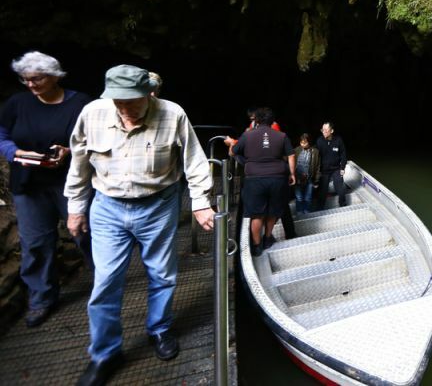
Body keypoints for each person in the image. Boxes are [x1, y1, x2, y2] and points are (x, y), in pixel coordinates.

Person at [64, 65, 215, 386]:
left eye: (132, 101)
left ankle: (159, 329)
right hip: (107, 207)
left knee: (162, 274)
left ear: (150, 93)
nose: (125, 109)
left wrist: (201, 202)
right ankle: (105, 353)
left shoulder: (172, 114)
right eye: (118, 102)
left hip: (158, 205)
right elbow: (78, 162)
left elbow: (194, 160)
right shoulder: (92, 113)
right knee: (105, 280)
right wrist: (76, 207)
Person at [0, 51, 93, 328]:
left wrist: (69, 150)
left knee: (86, 234)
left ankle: (106, 285)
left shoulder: (80, 103)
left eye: (36, 78)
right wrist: (15, 153)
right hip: (29, 183)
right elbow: (1, 135)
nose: (30, 84)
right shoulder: (17, 103)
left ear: (54, 76)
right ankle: (41, 299)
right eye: (25, 79)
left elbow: (96, 138)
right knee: (36, 243)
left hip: (72, 181)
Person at [230, 107, 295, 256]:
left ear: (257, 120)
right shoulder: (282, 136)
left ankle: (257, 245)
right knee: (272, 212)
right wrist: (291, 174)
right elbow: (291, 155)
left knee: (256, 215)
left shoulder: (247, 136)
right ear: (272, 121)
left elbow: (234, 152)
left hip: (254, 180)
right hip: (277, 179)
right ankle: (267, 239)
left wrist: (232, 147)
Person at [315, 122, 347, 209]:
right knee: (322, 192)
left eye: (326, 130)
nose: (323, 132)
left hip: (336, 169)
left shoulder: (338, 140)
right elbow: (316, 157)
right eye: (322, 130)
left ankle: (343, 206)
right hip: (324, 171)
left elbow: (343, 155)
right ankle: (320, 209)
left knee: (340, 190)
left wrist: (342, 168)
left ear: (332, 131)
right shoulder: (319, 141)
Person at [293, 133, 320, 214]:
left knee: (308, 198)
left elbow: (318, 166)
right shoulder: (296, 150)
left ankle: (307, 213)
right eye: (301, 142)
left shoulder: (315, 151)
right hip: (298, 179)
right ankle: (299, 213)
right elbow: (292, 163)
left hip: (309, 179)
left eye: (305, 142)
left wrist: (316, 180)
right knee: (299, 198)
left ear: (309, 142)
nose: (303, 144)